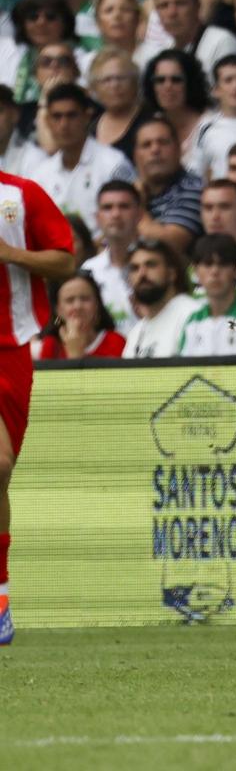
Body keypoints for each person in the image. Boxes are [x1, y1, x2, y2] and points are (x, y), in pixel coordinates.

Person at [0, 165, 74, 645]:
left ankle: (1, 595)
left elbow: (65, 262)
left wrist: (10, 254)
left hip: (12, 349)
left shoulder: (21, 195)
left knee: (3, 470)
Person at [30, 83, 135, 240]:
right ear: (47, 121)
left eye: (71, 115)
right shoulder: (40, 174)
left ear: (87, 117)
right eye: (57, 117)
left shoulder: (113, 163)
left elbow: (130, 220)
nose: (64, 125)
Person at [140, 0, 236, 82]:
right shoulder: (165, 51)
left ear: (197, 5)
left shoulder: (220, 42)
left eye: (180, 3)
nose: (172, 12)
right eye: (164, 5)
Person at [179, 234, 236, 357]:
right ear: (196, 271)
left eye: (223, 264)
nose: (214, 271)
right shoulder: (193, 320)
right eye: (208, 264)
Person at [131, 118, 203, 256]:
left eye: (163, 143)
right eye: (146, 145)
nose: (155, 150)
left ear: (178, 149)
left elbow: (168, 244)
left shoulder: (193, 189)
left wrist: (136, 205)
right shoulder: (131, 189)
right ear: (135, 156)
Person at [121, 239, 198, 359]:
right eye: (135, 268)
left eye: (151, 265)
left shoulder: (192, 315)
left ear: (172, 273)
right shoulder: (135, 334)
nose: (142, 273)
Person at [81, 180, 139, 336]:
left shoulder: (157, 263)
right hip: (104, 358)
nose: (115, 214)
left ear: (139, 214)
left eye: (124, 206)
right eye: (107, 208)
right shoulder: (88, 269)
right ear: (97, 217)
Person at [37, 270, 125, 359]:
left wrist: (76, 354)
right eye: (70, 300)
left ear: (97, 304)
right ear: (58, 310)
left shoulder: (116, 342)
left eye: (85, 299)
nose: (78, 306)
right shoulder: (51, 345)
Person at [141, 49, 209, 161]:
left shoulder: (210, 126)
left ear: (191, 83)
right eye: (160, 80)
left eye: (176, 80)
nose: (168, 86)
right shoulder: (149, 126)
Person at [88, 47, 150, 161]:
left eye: (121, 78)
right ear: (95, 88)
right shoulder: (89, 127)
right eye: (107, 80)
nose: (114, 85)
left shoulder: (150, 121)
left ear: (135, 83)